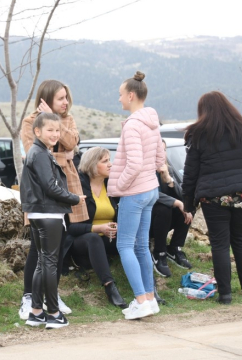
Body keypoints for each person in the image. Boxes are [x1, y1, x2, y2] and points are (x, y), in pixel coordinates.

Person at [182, 91, 242, 305]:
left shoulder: (198, 134)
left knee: (219, 244)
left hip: (215, 196)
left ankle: (225, 295)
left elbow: (191, 173)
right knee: (240, 239)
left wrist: (188, 203)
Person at [18, 79, 89, 320]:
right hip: (44, 194)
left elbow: (73, 144)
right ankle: (29, 297)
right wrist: (63, 155)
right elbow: (34, 157)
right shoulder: (30, 122)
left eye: (66, 97)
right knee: (37, 251)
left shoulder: (67, 120)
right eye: (60, 98)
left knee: (60, 245)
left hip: (67, 182)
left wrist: (61, 142)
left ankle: (52, 295)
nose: (65, 102)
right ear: (46, 98)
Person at [107, 71, 165, 320]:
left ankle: (140, 301)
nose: (119, 99)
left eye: (120, 95)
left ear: (131, 96)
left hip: (135, 192)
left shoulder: (132, 125)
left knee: (124, 245)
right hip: (151, 189)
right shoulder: (152, 120)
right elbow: (160, 158)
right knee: (141, 245)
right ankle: (150, 300)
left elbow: (134, 163)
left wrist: (118, 186)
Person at [65, 147, 127, 308]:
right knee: (93, 239)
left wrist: (118, 225)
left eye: (109, 160)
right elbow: (72, 228)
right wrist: (98, 228)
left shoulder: (112, 186)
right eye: (105, 161)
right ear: (92, 165)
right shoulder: (79, 188)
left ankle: (148, 287)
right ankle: (110, 286)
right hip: (81, 241)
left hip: (108, 238)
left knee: (132, 237)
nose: (110, 164)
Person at [150, 140, 193, 277]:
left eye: (163, 150)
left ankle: (174, 247)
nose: (161, 154)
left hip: (165, 220)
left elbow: (183, 195)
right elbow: (150, 194)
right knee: (165, 208)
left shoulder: (169, 169)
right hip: (148, 219)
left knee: (188, 207)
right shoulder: (143, 170)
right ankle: (159, 252)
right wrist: (176, 202)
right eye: (157, 150)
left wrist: (168, 179)